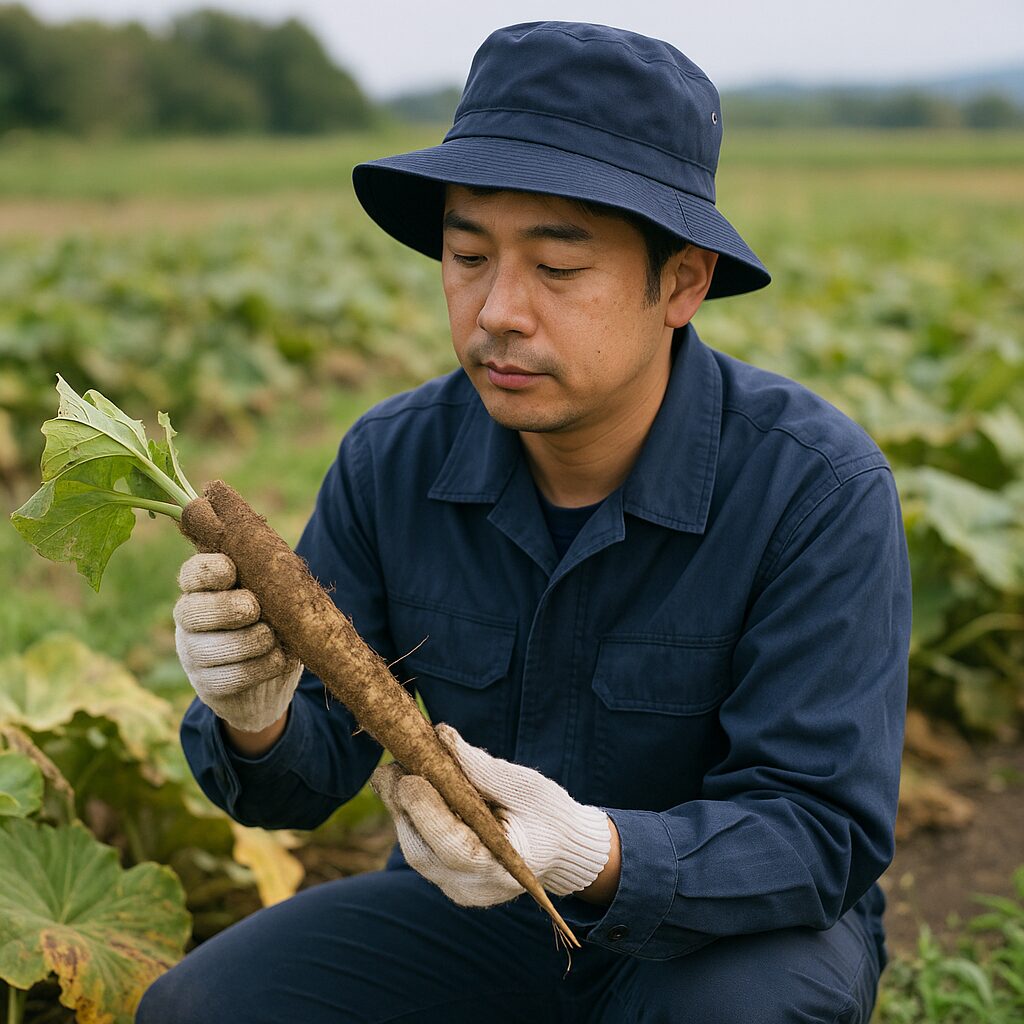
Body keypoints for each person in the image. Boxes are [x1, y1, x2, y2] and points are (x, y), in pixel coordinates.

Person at [137, 21, 910, 1024]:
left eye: (555, 268)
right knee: (200, 1008)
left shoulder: (814, 488)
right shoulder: (393, 460)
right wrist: (255, 713)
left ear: (679, 282)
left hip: (729, 932)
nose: (497, 308)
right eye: (467, 255)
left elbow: (817, 833)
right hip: (473, 910)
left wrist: (589, 850)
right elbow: (299, 782)